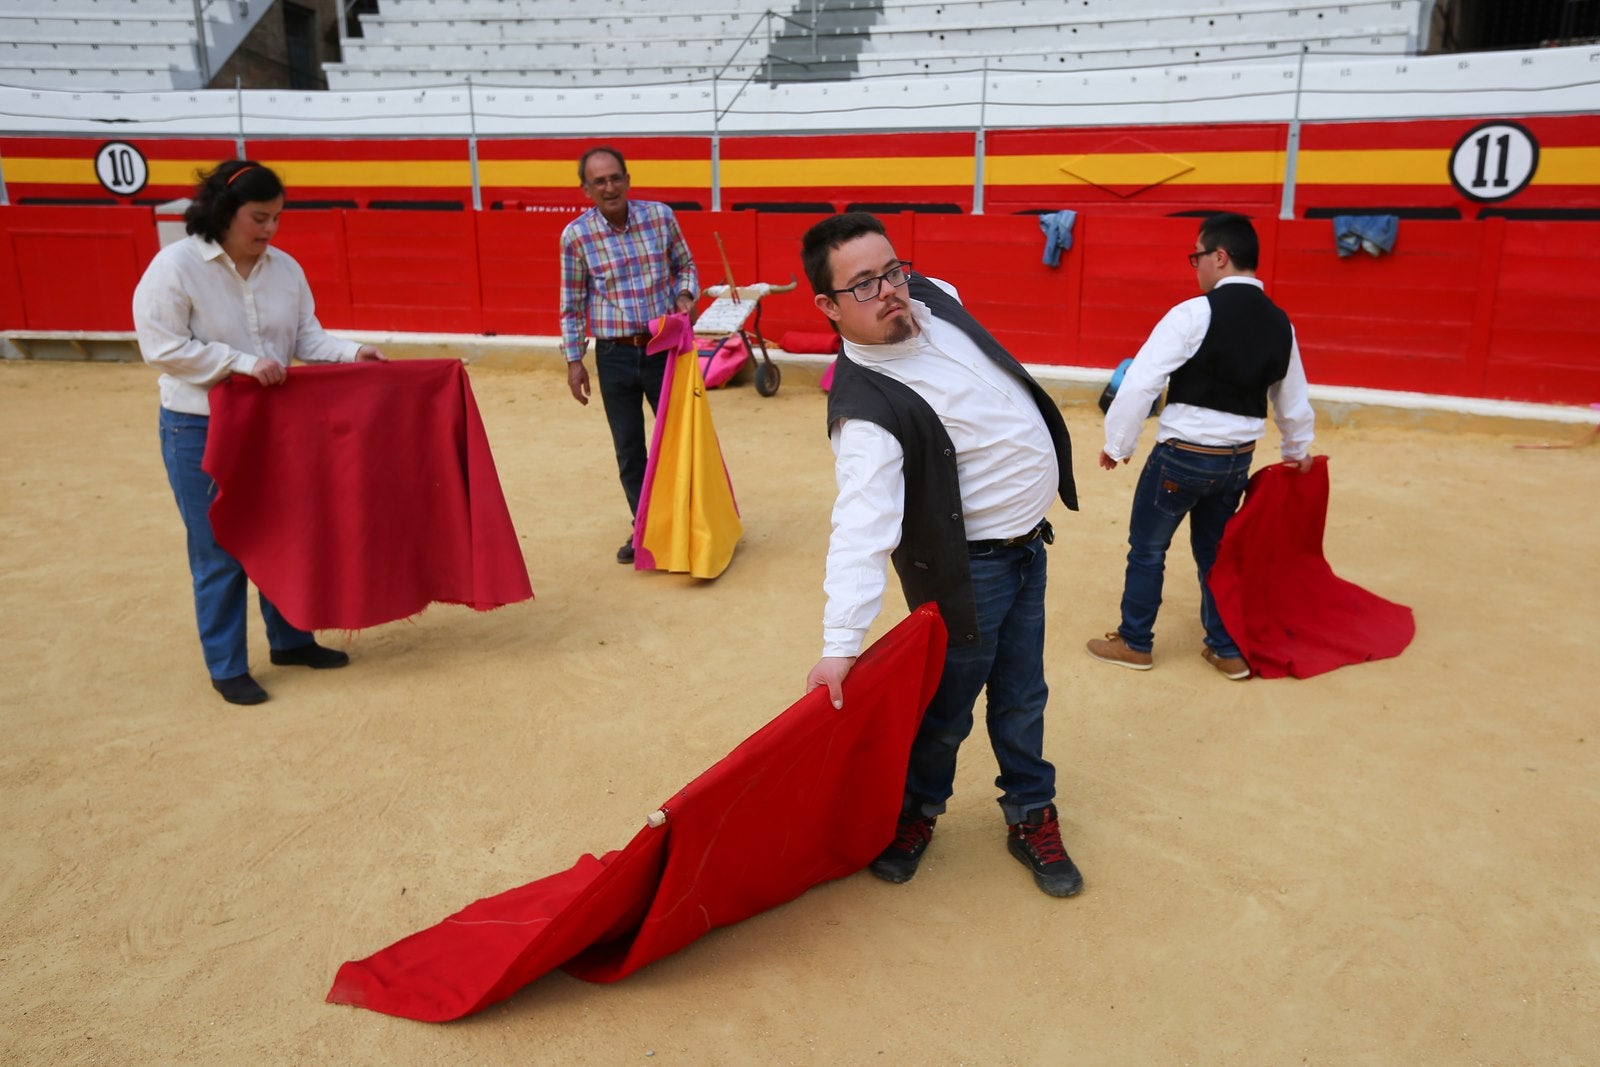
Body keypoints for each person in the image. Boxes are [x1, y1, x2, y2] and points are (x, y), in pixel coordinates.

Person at [800, 212, 1084, 898]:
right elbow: (861, 526)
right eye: (863, 284)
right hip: (969, 573)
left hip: (1028, 550)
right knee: (945, 708)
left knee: (1023, 695)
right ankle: (915, 814)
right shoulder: (865, 412)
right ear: (827, 307)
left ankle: (1029, 813)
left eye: (892, 269)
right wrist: (841, 643)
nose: (890, 289)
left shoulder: (929, 294)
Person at [133, 159, 386, 707]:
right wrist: (241, 363)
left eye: (275, 218)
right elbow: (162, 348)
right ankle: (226, 665)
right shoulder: (174, 267)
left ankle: (291, 641)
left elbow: (305, 338)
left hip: (273, 427)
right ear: (225, 212)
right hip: (199, 426)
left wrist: (352, 352)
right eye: (258, 218)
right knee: (219, 547)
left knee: (284, 534)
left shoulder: (284, 269)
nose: (269, 230)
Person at [1086, 212, 1315, 680]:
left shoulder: (1193, 313)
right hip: (1235, 463)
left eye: (1197, 256)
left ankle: (1135, 641)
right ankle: (1225, 647)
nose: (1196, 267)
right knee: (1215, 553)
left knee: (1147, 551)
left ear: (1220, 256)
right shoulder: (1280, 323)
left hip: (1181, 457)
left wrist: (1118, 442)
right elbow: (1292, 398)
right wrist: (1297, 451)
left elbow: (1139, 384)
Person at [559, 146, 699, 563]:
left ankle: (692, 525)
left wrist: (685, 293)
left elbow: (685, 264)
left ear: (628, 179)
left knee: (679, 441)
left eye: (615, 177)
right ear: (585, 189)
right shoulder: (575, 236)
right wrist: (573, 360)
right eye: (599, 181)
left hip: (664, 349)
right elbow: (571, 303)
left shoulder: (659, 216)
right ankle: (647, 530)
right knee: (629, 448)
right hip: (614, 355)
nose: (609, 187)